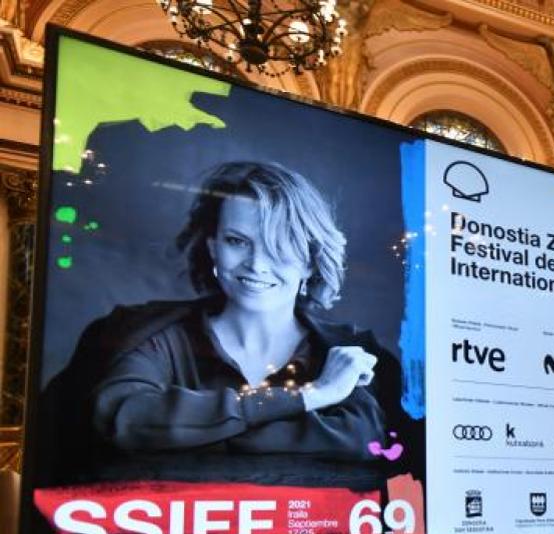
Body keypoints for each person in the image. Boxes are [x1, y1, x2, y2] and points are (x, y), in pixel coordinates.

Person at [42, 161, 402, 488]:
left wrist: (194, 432)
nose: (257, 264)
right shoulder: (150, 336)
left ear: (310, 261)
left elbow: (364, 440)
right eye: (236, 241)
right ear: (213, 246)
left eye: (280, 244)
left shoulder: (349, 353)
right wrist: (311, 396)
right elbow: (123, 417)